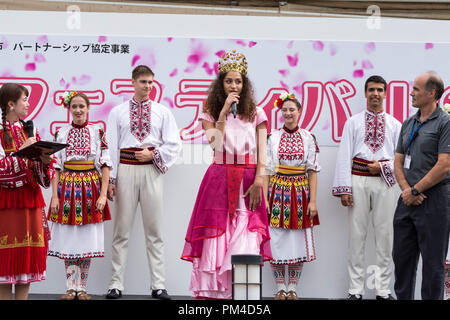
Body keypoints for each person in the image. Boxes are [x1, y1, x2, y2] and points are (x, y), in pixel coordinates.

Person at [181, 50, 272, 300]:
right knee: (216, 236)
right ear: (221, 84)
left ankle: (245, 298)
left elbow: (263, 150)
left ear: (245, 84)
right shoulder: (210, 110)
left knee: (247, 236)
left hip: (249, 177)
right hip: (219, 178)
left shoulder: (257, 112)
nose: (234, 85)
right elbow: (216, 145)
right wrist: (222, 113)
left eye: (239, 81)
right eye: (229, 81)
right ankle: (216, 295)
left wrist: (259, 180)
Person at [106, 65, 181, 300]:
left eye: (150, 82)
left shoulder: (162, 112)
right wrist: (111, 180)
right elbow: (110, 146)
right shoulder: (117, 112)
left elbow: (174, 144)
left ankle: (158, 285)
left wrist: (153, 155)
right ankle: (115, 284)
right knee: (121, 231)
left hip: (151, 172)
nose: (147, 86)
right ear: (133, 82)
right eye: (143, 82)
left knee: (154, 230)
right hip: (126, 170)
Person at [332, 75, 402, 300]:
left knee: (385, 236)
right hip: (357, 180)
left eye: (380, 90)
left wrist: (382, 166)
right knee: (356, 237)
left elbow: (402, 159)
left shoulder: (395, 124)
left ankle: (383, 290)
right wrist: (344, 188)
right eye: (371, 89)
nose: (375, 94)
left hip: (386, 182)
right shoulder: (352, 122)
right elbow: (344, 155)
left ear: (385, 93)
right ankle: (355, 290)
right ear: (365, 93)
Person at [48, 91, 112, 300]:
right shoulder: (61, 132)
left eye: (81, 106)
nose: (77, 110)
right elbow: (56, 166)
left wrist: (102, 195)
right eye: (74, 106)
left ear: (88, 108)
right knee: (69, 240)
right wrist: (55, 196)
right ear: (69, 109)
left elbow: (105, 164)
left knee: (86, 239)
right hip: (66, 189)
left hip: (90, 190)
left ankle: (82, 287)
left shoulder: (97, 132)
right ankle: (70, 287)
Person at [393, 72, 449, 300]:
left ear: (432, 93)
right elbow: (397, 160)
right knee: (402, 261)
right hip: (407, 200)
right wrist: (408, 191)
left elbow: (445, 164)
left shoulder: (445, 123)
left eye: (416, 89)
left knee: (433, 265)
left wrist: (417, 190)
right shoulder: (409, 122)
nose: (411, 93)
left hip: (434, 201)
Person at [263, 93, 320, 300]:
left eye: (292, 109)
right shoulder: (272, 137)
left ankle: (293, 288)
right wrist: (266, 199)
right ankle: (280, 287)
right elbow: (267, 170)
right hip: (277, 191)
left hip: (300, 192)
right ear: (281, 112)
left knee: (297, 241)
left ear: (299, 111)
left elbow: (312, 170)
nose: (288, 113)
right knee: (276, 240)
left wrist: (313, 200)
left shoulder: (308, 137)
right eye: (284, 110)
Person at [0, 83, 52, 300]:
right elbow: (1, 170)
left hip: (31, 199)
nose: (28, 104)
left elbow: (41, 176)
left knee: (27, 266)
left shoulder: (30, 129)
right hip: (8, 202)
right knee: (6, 265)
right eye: (25, 99)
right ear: (11, 104)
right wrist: (24, 152)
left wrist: (44, 161)